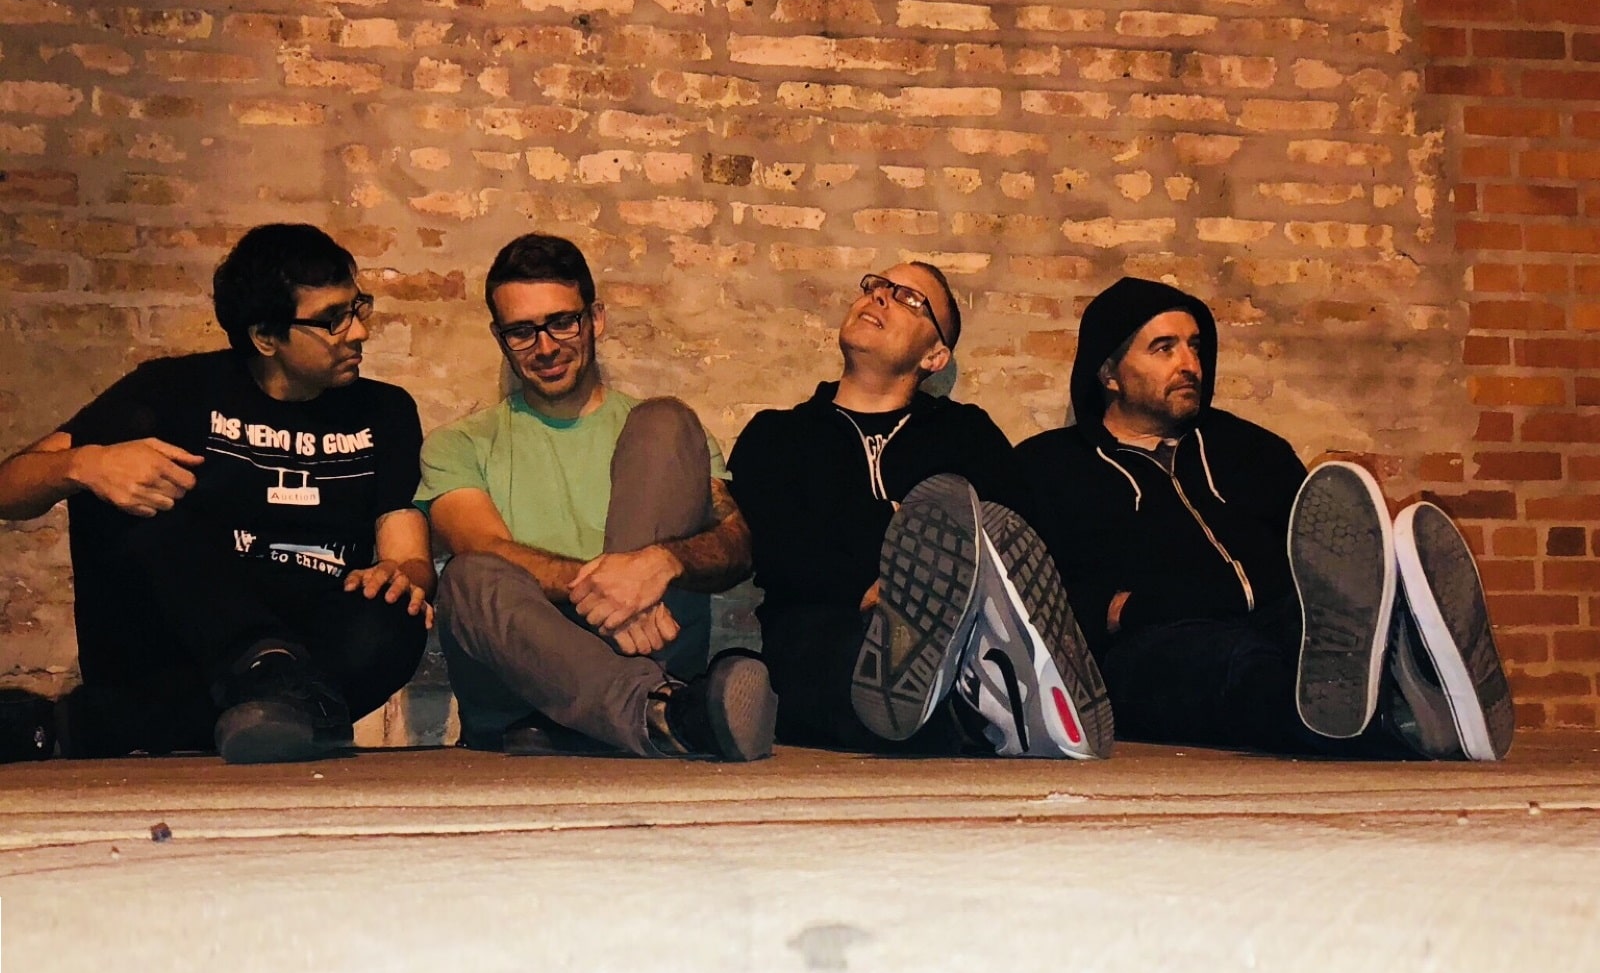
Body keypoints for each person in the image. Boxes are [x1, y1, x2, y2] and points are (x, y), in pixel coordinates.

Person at [1014, 276, 1515, 760]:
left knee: (1322, 636)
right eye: (1164, 349)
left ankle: (1427, 668)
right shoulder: (1050, 466)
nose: (1189, 364)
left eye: (1194, 346)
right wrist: (1125, 610)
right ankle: (1405, 722)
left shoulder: (1252, 450)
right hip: (1151, 650)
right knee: (1237, 663)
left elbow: (1317, 556)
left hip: (1282, 621)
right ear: (1109, 374)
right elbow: (1040, 599)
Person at [0, 223, 433, 764]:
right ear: (265, 337)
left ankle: (94, 724)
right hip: (182, 638)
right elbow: (8, 488)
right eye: (332, 320)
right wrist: (84, 465)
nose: (359, 332)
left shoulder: (385, 411)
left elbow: (409, 555)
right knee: (129, 484)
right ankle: (272, 683)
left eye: (357, 307)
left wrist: (404, 576)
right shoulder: (174, 391)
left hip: (313, 637)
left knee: (396, 617)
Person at [729, 264, 1114, 758]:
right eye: (876, 286)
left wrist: (907, 559)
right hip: (819, 634)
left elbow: (1010, 541)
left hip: (957, 635)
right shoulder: (776, 435)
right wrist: (895, 574)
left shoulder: (967, 434)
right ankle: (995, 713)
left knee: (951, 632)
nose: (880, 297)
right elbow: (778, 551)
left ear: (935, 355)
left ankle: (996, 695)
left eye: (909, 298)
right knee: (848, 667)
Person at [417, 233, 775, 761]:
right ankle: (660, 712)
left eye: (562, 321)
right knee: (468, 577)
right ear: (500, 338)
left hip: (650, 653)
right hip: (525, 682)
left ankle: (648, 709)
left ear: (596, 319)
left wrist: (658, 564)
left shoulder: (667, 438)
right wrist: (614, 590)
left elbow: (737, 546)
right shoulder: (459, 444)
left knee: (665, 420)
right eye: (521, 332)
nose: (545, 347)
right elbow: (483, 546)